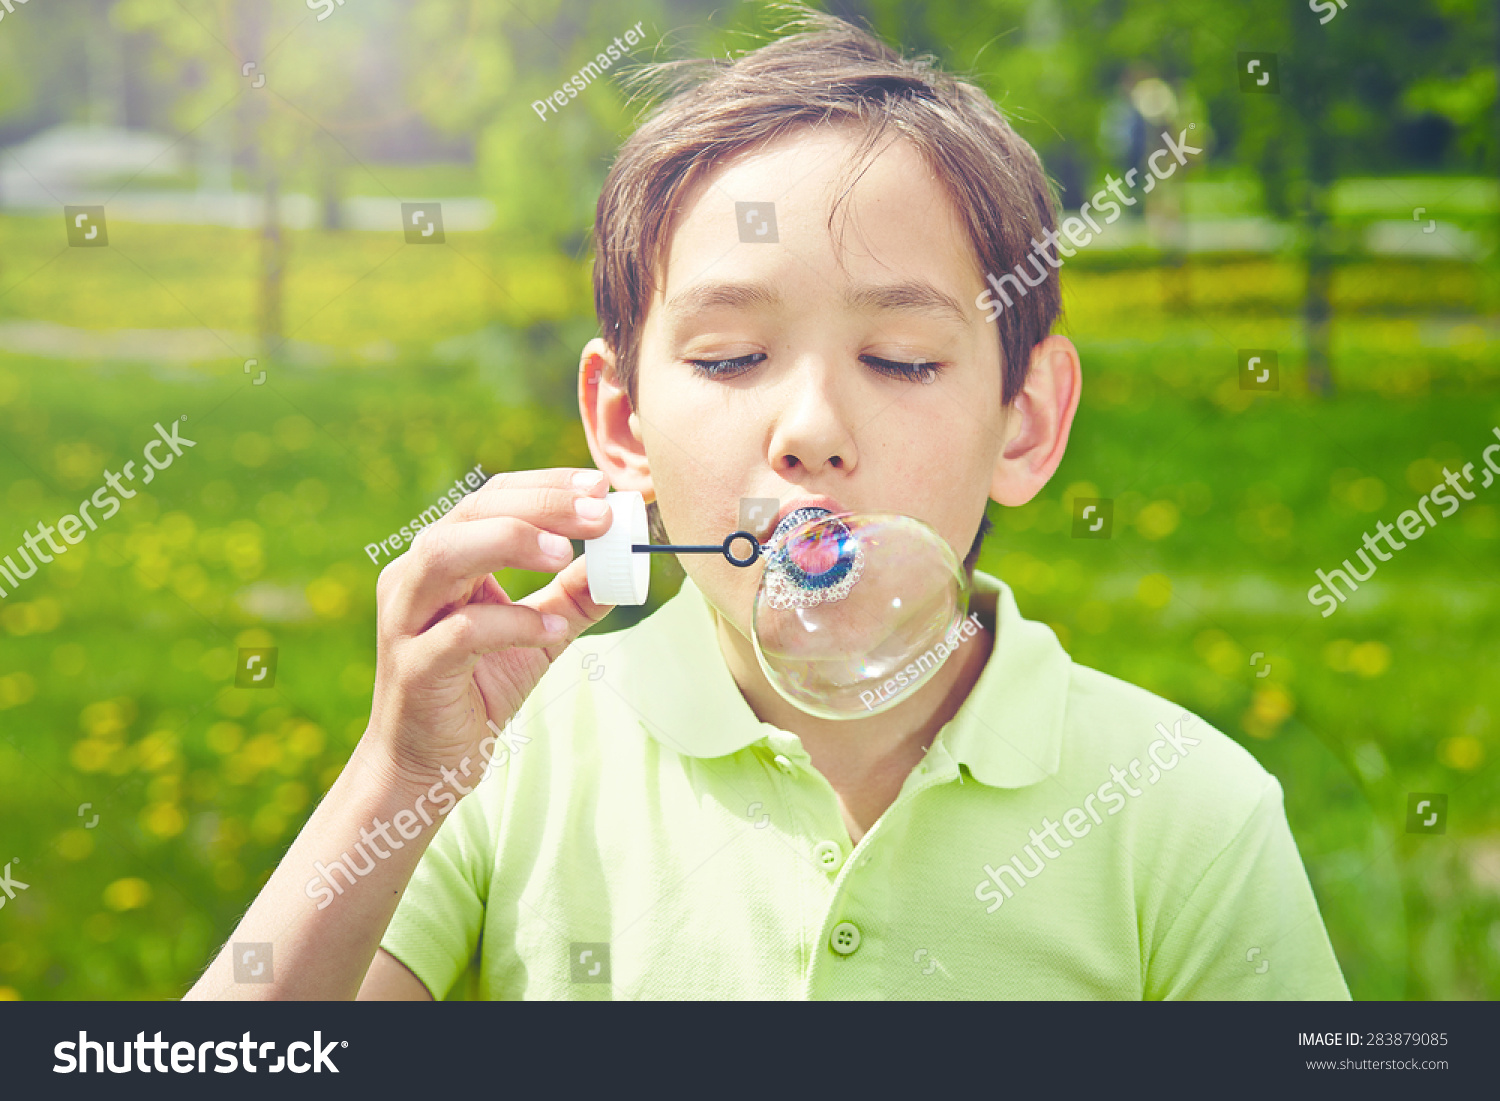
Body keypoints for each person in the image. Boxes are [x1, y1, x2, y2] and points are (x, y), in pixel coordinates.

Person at [187, 7, 1347, 1001]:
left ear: (1027, 421)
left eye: (899, 358)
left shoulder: (1184, 810)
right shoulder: (514, 755)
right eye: (734, 357)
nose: (811, 432)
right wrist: (399, 779)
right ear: (624, 427)